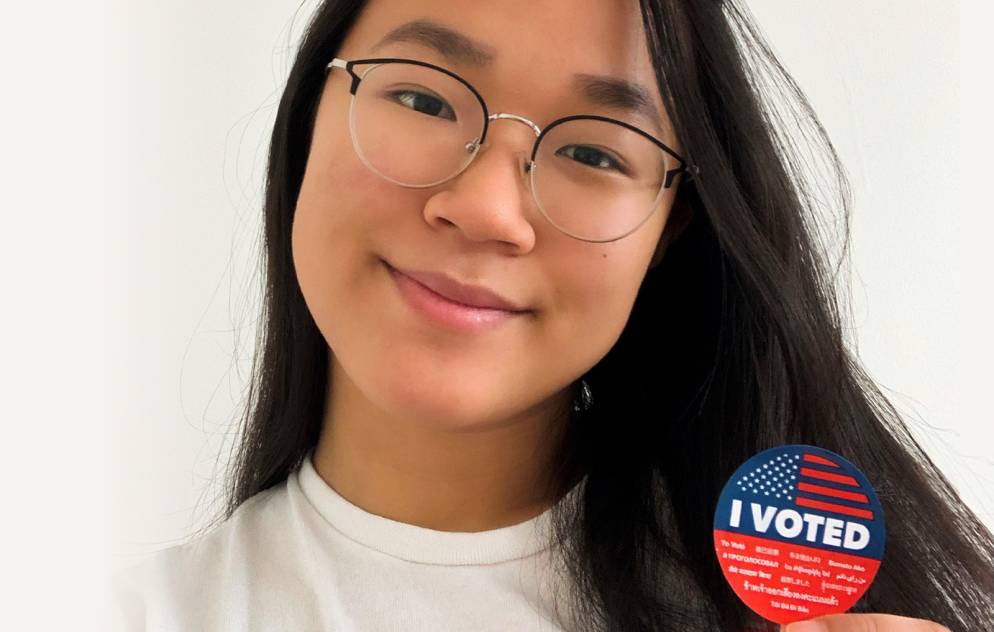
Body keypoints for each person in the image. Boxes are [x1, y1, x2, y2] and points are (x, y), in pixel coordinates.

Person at [110, 0, 994, 630]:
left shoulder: (800, 613)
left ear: (669, 228)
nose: (489, 209)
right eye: (422, 97)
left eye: (592, 152)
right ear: (310, 114)